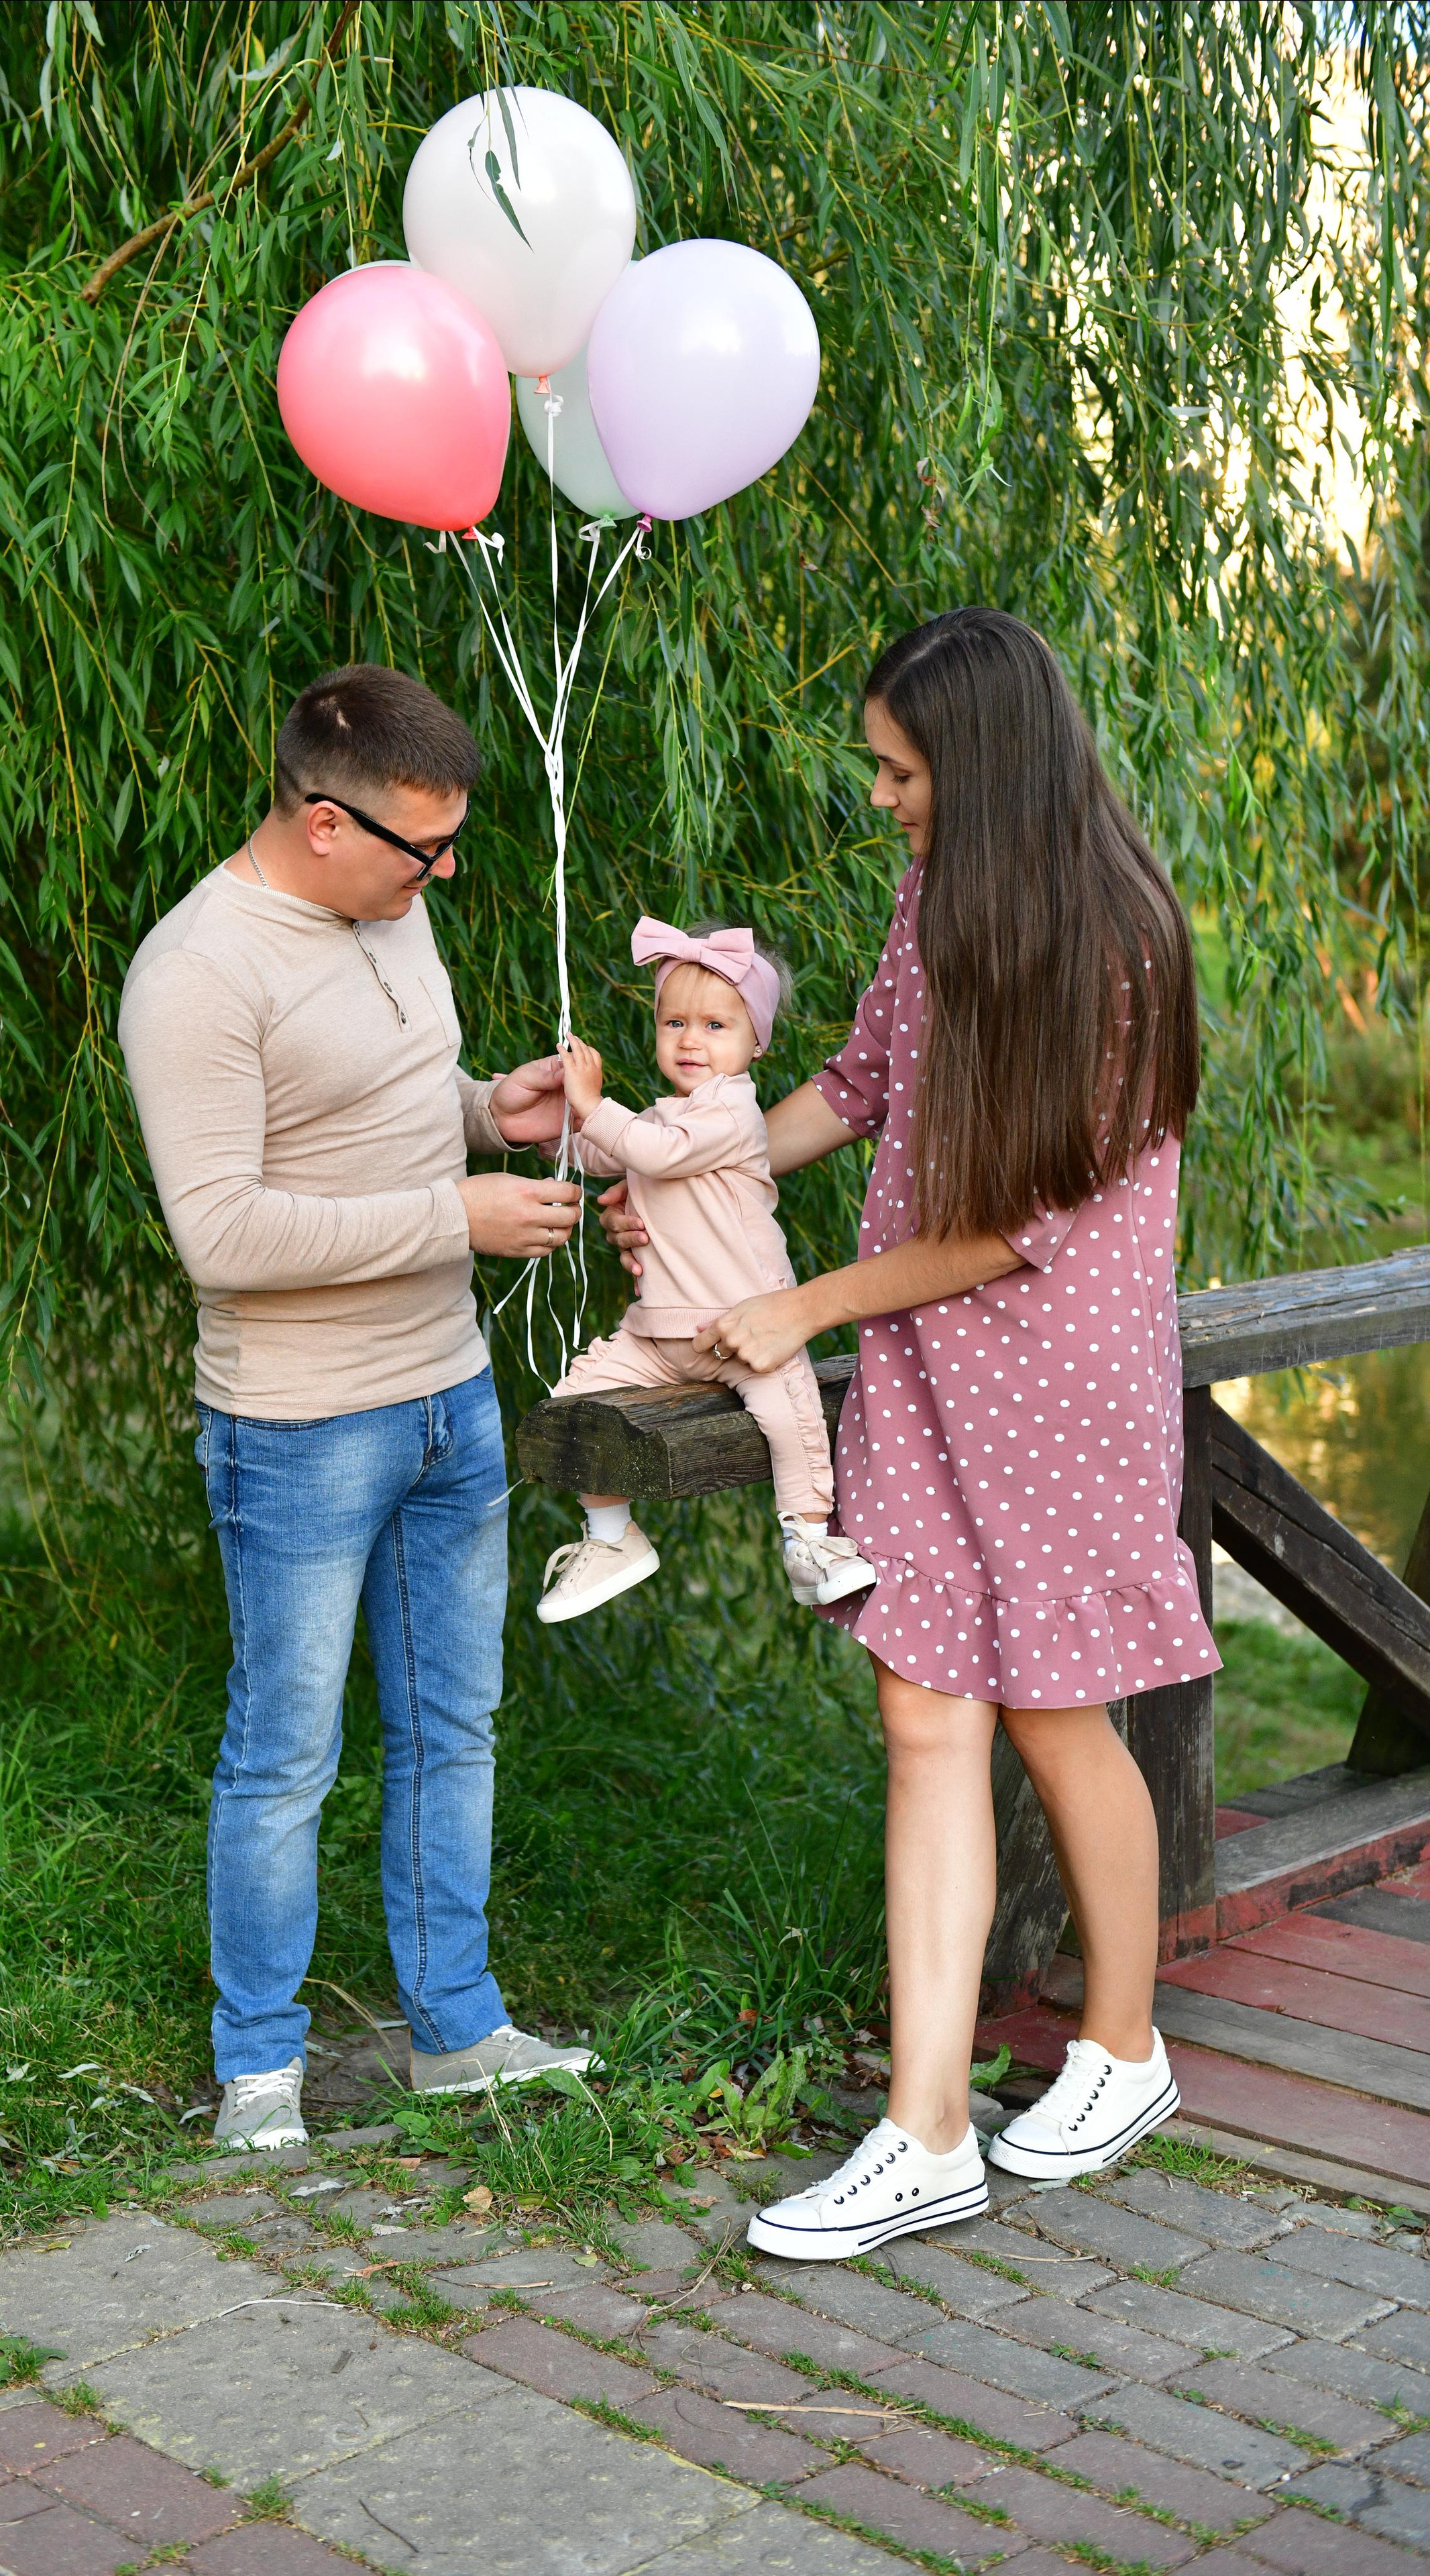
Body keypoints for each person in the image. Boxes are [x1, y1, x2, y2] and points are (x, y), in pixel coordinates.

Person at [603, 608, 1215, 2254]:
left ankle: (1124, 2041)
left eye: (898, 769)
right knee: (921, 1710)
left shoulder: (1114, 943)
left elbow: (1019, 1220)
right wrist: (687, 1159)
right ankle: (926, 2127)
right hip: (929, 1361)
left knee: (1052, 1709)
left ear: (983, 761)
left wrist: (799, 1304)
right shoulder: (933, 893)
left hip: (1051, 1369)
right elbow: (855, 1087)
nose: (879, 796)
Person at [119, 663, 594, 2151]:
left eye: (450, 847)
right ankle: (257, 2070)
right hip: (303, 1428)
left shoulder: (390, 902)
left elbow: (387, 1103)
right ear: (321, 822)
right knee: (286, 1754)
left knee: (457, 1727)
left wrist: (487, 1107)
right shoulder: (197, 972)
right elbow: (228, 1236)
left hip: (447, 1395)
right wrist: (454, 1212)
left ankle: (456, 2026)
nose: (441, 873)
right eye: (418, 848)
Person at [535, 915, 873, 1623]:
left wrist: (596, 1107)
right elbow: (613, 1151)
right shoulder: (665, 1117)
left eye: (716, 1026)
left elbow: (649, 1151)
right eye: (675, 1023)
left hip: (745, 1327)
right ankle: (611, 1537)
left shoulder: (731, 1115)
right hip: (658, 1333)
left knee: (793, 1418)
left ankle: (810, 1540)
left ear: (757, 1042)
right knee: (575, 1411)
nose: (690, 1040)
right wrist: (557, 1125)